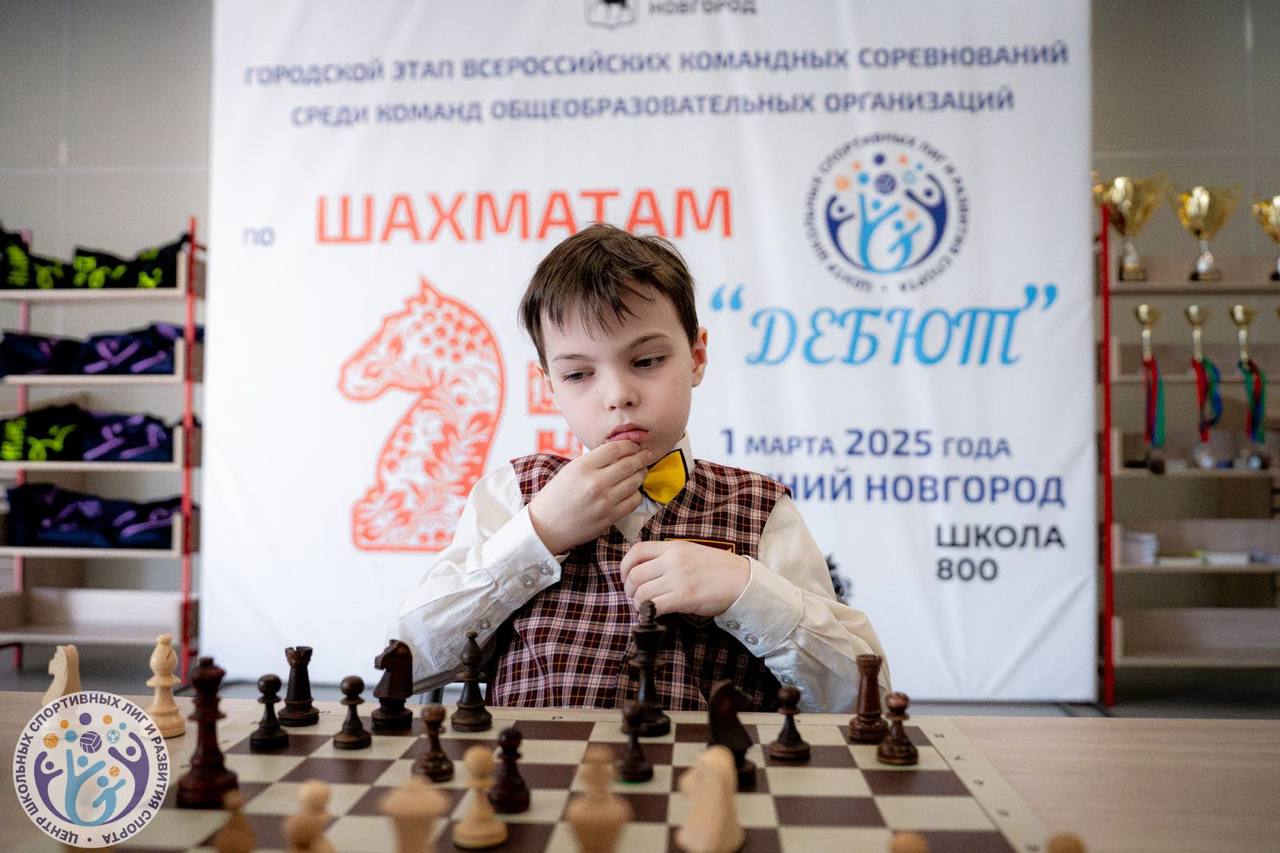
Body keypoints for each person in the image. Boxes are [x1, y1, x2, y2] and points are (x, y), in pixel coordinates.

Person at [390, 223, 888, 712]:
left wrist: (749, 590)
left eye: (647, 361)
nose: (618, 395)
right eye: (578, 374)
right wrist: (536, 535)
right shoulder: (511, 495)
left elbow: (865, 696)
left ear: (696, 357)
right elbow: (407, 666)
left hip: (708, 767)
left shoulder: (762, 508)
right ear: (550, 386)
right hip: (535, 768)